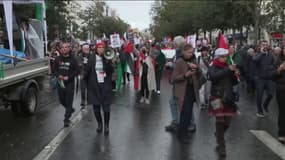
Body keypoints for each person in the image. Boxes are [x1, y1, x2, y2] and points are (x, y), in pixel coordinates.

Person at [208, 48, 238, 157]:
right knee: (220, 121)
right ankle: (221, 146)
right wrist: (227, 70)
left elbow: (234, 83)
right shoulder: (212, 66)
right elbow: (213, 77)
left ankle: (218, 134)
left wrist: (234, 73)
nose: (225, 58)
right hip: (216, 97)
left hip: (228, 97)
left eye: (226, 56)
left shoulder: (228, 66)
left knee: (227, 122)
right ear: (217, 57)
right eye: (222, 56)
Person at [172, 44, 201, 143]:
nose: (191, 54)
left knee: (188, 114)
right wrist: (185, 75)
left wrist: (196, 68)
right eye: (189, 52)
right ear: (184, 52)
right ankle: (181, 134)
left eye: (192, 52)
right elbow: (174, 78)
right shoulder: (179, 62)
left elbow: (200, 73)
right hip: (182, 91)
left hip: (192, 89)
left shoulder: (193, 60)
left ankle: (184, 132)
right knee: (185, 113)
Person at [85, 42, 114, 135]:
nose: (101, 49)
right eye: (99, 47)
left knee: (106, 108)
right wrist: (86, 84)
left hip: (105, 85)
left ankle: (106, 125)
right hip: (94, 86)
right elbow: (87, 72)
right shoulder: (91, 58)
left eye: (102, 47)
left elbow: (112, 71)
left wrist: (108, 61)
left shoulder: (107, 57)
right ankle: (99, 124)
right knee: (96, 108)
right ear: (96, 49)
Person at [53, 42, 79, 127]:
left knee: (69, 101)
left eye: (66, 47)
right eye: (62, 47)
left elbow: (77, 71)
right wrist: (58, 75)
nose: (63, 49)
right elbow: (55, 70)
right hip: (60, 83)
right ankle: (70, 109)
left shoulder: (73, 59)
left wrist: (69, 77)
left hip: (69, 83)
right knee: (61, 100)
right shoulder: (57, 59)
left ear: (69, 49)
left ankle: (66, 119)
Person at [253, 40, 275, 117]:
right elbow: (255, 61)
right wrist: (261, 54)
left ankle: (265, 105)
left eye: (266, 45)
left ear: (268, 46)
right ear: (260, 46)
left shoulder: (271, 55)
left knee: (271, 94)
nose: (265, 46)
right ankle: (259, 111)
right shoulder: (257, 54)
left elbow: (273, 64)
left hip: (269, 78)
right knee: (259, 96)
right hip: (260, 79)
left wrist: (270, 67)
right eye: (263, 45)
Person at [272, 45, 285, 143]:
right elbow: (272, 76)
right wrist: (279, 70)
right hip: (282, 90)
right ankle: (282, 133)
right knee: (283, 112)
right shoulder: (277, 61)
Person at [77, 43, 90, 108]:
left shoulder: (91, 56)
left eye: (87, 49)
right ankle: (83, 100)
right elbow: (78, 65)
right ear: (82, 50)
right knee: (82, 89)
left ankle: (88, 100)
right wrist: (80, 73)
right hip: (82, 75)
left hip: (90, 75)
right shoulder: (79, 56)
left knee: (89, 89)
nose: (86, 50)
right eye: (85, 49)